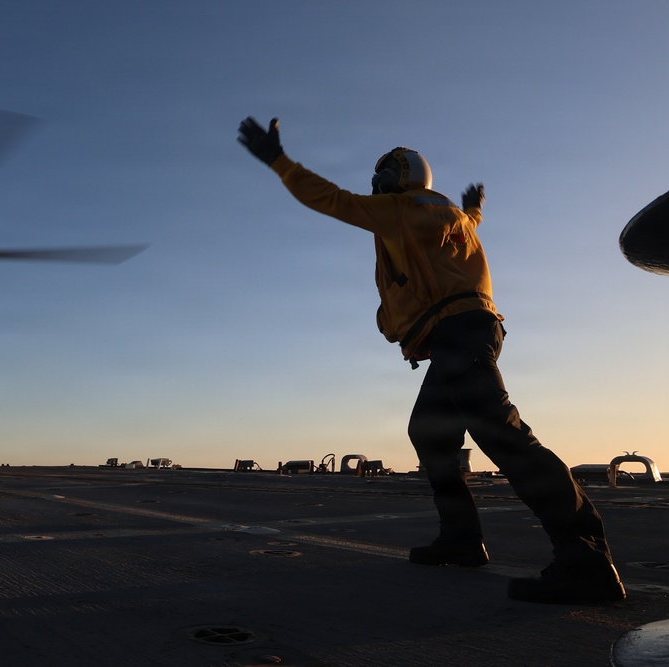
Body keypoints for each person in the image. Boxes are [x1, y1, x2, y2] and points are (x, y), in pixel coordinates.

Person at [237, 117, 625, 604]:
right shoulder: (445, 215)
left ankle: (586, 558)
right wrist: (474, 209)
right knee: (429, 430)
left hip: (458, 334)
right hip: (464, 334)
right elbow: (456, 232)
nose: (374, 187)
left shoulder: (401, 211)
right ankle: (462, 541)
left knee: (505, 436)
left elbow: (331, 200)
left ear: (399, 180)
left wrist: (279, 161)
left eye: (382, 178)